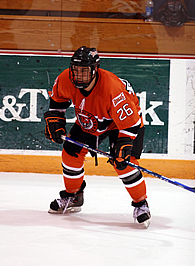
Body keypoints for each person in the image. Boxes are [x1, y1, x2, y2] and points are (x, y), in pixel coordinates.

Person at [44, 46, 151, 225]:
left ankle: (141, 204)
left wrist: (123, 145)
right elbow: (58, 100)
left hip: (123, 124)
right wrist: (55, 118)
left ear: (95, 70)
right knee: (70, 154)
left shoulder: (112, 89)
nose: (78, 75)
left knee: (124, 163)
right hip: (91, 118)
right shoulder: (65, 79)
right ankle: (74, 196)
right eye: (76, 70)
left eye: (84, 71)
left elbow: (131, 123)